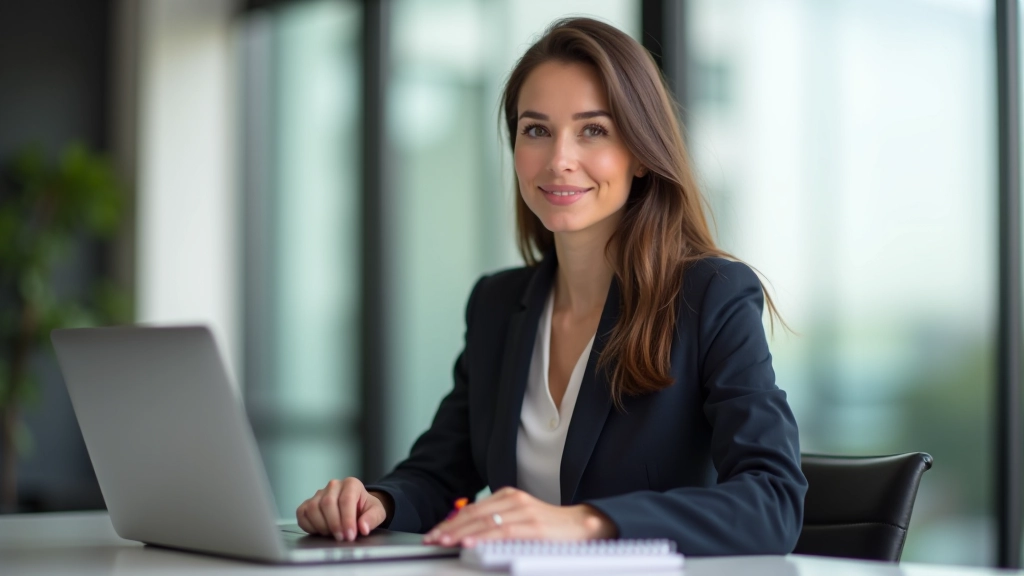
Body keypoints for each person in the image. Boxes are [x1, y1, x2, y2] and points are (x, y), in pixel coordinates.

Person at [295, 16, 807, 556]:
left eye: (593, 130)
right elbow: (439, 474)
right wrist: (376, 502)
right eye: (536, 129)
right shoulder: (497, 304)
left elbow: (773, 502)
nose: (559, 160)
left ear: (639, 153)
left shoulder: (711, 295)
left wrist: (584, 523)